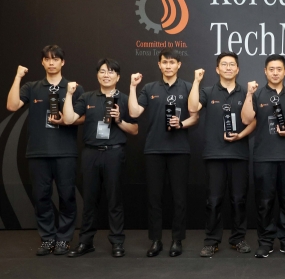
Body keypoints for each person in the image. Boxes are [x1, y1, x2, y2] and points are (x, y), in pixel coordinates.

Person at [6, 45, 84, 256]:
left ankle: (64, 239)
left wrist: (67, 121)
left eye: (55, 59)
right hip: (38, 152)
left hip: (65, 151)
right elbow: (12, 106)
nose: (51, 62)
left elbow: (83, 116)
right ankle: (48, 238)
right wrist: (17, 76)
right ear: (42, 62)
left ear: (62, 62)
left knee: (67, 196)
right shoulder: (32, 86)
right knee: (41, 196)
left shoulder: (73, 87)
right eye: (47, 59)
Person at [63, 59, 138, 257]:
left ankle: (117, 243)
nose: (106, 75)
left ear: (118, 77)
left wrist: (119, 120)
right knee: (89, 200)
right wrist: (69, 95)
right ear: (97, 75)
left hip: (114, 152)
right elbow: (69, 119)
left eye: (111, 72)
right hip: (90, 153)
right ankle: (85, 242)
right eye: (103, 71)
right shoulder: (87, 97)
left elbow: (135, 130)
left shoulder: (124, 98)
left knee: (115, 199)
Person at [128, 47, 199, 257]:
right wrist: (133, 87)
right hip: (153, 149)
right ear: (159, 65)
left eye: (172, 62)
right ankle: (156, 240)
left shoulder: (187, 86)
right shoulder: (149, 88)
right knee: (154, 198)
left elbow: (195, 115)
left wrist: (182, 123)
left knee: (179, 198)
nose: (168, 66)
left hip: (179, 150)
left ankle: (177, 240)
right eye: (164, 62)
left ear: (179, 65)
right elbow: (133, 112)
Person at [188, 52, 256, 257]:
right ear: (217, 69)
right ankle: (211, 240)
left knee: (239, 199)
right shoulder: (208, 91)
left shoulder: (246, 91)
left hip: (239, 154)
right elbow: (192, 108)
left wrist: (240, 136)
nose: (228, 67)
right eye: (224, 64)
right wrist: (196, 81)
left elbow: (252, 120)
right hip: (214, 154)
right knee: (214, 200)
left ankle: (238, 239)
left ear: (238, 69)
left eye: (232, 64)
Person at [241, 54, 285, 258]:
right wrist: (249, 95)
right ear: (265, 71)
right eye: (271, 69)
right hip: (263, 156)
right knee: (264, 202)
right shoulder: (257, 94)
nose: (275, 72)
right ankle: (266, 241)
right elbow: (246, 119)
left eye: (279, 69)